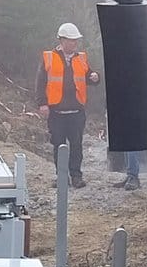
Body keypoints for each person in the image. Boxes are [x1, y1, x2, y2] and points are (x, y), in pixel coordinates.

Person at [36, 22, 100, 188]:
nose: (74, 43)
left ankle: (76, 176)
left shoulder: (81, 58)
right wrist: (42, 103)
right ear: (62, 40)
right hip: (56, 111)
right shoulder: (49, 58)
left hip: (76, 111)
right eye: (71, 40)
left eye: (75, 40)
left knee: (77, 145)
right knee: (58, 145)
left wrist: (95, 77)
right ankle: (61, 177)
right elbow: (40, 82)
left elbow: (90, 77)